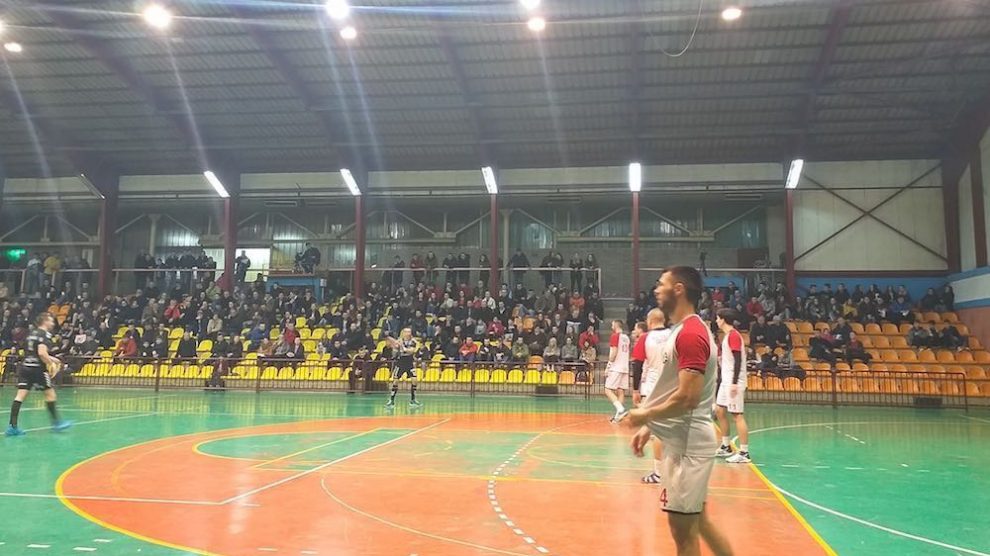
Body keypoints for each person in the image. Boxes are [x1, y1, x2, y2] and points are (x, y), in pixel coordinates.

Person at [623, 267, 733, 556]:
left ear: (679, 289)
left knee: (683, 534)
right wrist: (651, 427)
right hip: (682, 441)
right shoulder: (683, 331)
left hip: (687, 447)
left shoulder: (691, 334)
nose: (657, 289)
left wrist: (645, 415)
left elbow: (687, 398)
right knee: (700, 523)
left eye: (662, 284)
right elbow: (674, 388)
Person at [6, 312, 72, 436]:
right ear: (44, 321)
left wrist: (53, 359)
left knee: (20, 396)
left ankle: (12, 427)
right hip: (38, 369)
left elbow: (33, 353)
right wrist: (51, 364)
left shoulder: (31, 334)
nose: (52, 323)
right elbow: (41, 353)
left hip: (25, 367)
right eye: (50, 320)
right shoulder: (45, 335)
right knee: (50, 394)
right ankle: (56, 423)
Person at [714, 309, 751, 464]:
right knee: (719, 410)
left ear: (723, 319)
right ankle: (726, 445)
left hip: (733, 382)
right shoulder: (727, 336)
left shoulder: (734, 336)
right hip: (726, 381)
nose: (716, 321)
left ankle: (744, 452)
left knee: (737, 415)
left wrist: (735, 382)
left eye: (717, 318)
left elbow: (738, 360)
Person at [639, 308, 671, 485]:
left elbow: (637, 364)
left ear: (650, 321)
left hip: (654, 388)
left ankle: (658, 473)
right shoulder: (673, 335)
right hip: (673, 387)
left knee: (658, 431)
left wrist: (635, 390)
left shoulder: (646, 338)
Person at [385, 328, 422, 408]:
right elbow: (394, 352)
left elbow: (412, 351)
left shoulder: (413, 341)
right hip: (400, 363)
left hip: (409, 363)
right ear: (403, 333)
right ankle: (391, 400)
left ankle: (413, 400)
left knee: (414, 380)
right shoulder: (399, 341)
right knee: (395, 381)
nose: (408, 333)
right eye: (406, 332)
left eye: (409, 332)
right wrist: (395, 348)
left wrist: (404, 348)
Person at [604, 320, 631, 423]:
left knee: (607, 390)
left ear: (616, 325)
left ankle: (621, 409)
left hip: (616, 366)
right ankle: (617, 416)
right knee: (621, 391)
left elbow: (614, 352)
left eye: (612, 324)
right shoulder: (626, 338)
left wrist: (608, 366)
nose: (611, 326)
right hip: (625, 366)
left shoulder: (615, 336)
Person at [630, 321, 649, 407]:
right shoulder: (650, 337)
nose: (634, 330)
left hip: (645, 376)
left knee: (642, 403)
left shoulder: (643, 339)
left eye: (636, 328)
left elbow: (638, 364)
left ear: (640, 329)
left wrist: (635, 389)